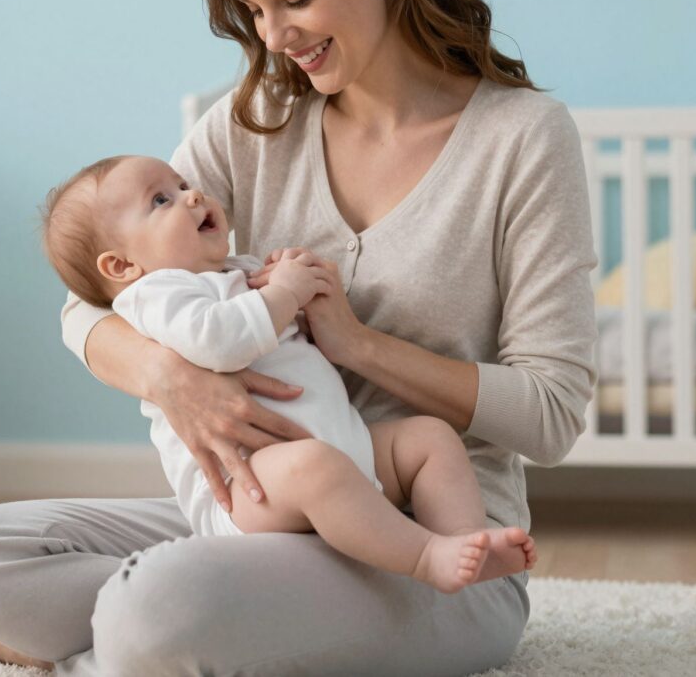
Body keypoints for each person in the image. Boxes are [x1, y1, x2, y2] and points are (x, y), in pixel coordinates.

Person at [0, 0, 597, 676]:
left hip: (433, 545)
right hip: (264, 511)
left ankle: (96, 646)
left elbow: (550, 414)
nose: (274, 36)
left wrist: (358, 346)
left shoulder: (522, 138)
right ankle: (142, 636)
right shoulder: (258, 124)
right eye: (255, 11)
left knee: (159, 600)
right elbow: (88, 305)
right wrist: (170, 379)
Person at [38, 152, 537, 592]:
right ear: (121, 267)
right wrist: (284, 293)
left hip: (345, 450)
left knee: (430, 439)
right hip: (250, 492)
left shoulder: (232, 270)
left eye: (184, 184)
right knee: (314, 467)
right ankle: (426, 557)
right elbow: (221, 341)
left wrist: (297, 283)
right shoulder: (154, 295)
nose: (192, 196)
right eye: (161, 200)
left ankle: (466, 542)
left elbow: (280, 335)